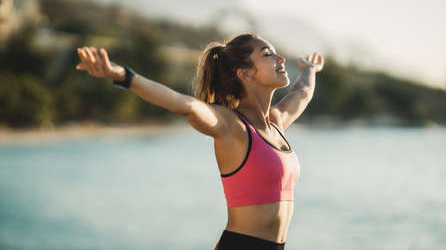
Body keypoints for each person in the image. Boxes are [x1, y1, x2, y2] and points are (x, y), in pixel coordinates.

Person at [75, 33, 324, 250]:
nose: (281, 60)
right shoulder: (232, 126)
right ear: (246, 73)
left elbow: (302, 92)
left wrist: (309, 70)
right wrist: (123, 76)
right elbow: (186, 106)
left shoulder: (276, 123)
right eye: (269, 54)